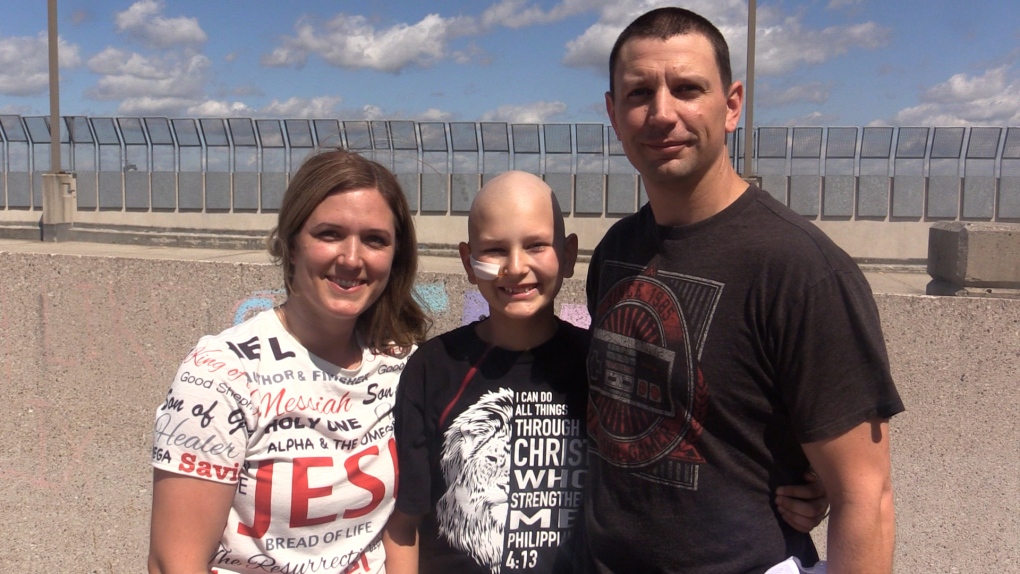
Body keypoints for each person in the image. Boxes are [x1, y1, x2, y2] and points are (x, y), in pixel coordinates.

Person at [584, 7, 904, 574]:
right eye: (638, 93)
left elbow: (865, 497)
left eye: (687, 88)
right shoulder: (615, 251)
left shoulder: (801, 270)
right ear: (613, 112)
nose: (662, 113)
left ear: (731, 105)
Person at [382, 171, 829, 574]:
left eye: (536, 245)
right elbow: (406, 523)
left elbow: (696, 447)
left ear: (570, 253)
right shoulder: (434, 368)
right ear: (467, 260)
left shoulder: (603, 361)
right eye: (494, 250)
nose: (515, 267)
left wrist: (799, 488)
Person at [147, 149, 429, 574]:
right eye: (330, 234)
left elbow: (403, 530)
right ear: (292, 245)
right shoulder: (220, 374)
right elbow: (175, 562)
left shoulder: (405, 365)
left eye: (375, 239)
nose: (352, 258)